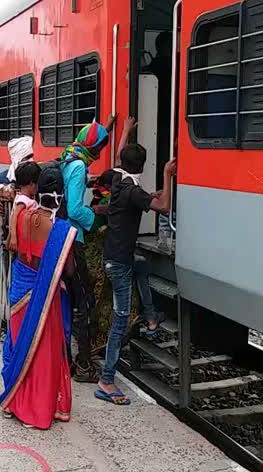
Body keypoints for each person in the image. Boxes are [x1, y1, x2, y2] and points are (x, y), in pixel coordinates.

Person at [97, 128, 176, 406]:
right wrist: (167, 173)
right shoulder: (133, 191)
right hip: (118, 263)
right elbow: (164, 206)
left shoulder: (119, 179)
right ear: (142, 166)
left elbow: (121, 156)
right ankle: (106, 380)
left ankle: (152, 316)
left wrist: (126, 129)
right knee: (120, 321)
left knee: (141, 266)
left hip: (116, 256)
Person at [0, 167, 75, 429]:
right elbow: (69, 270)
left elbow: (16, 247)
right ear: (60, 196)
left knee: (18, 344)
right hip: (44, 297)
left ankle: (13, 401)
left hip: (19, 290)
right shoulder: (59, 229)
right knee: (42, 353)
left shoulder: (21, 215)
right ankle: (36, 409)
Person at [60, 116, 115, 383]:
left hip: (62, 236)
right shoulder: (79, 166)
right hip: (75, 238)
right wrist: (95, 215)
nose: (102, 152)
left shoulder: (69, 157)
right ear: (95, 148)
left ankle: (68, 358)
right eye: (102, 148)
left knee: (71, 301)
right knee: (83, 301)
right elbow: (74, 209)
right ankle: (83, 365)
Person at [0, 136, 34, 274]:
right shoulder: (0, 179)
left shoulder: (34, 179)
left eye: (31, 156)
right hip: (0, 235)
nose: (30, 160)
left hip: (23, 240)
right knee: (2, 272)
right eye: (26, 157)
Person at [6, 161, 40, 252]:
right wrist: (13, 237)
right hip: (21, 241)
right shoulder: (23, 200)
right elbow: (14, 216)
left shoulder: (22, 197)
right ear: (32, 184)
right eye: (37, 184)